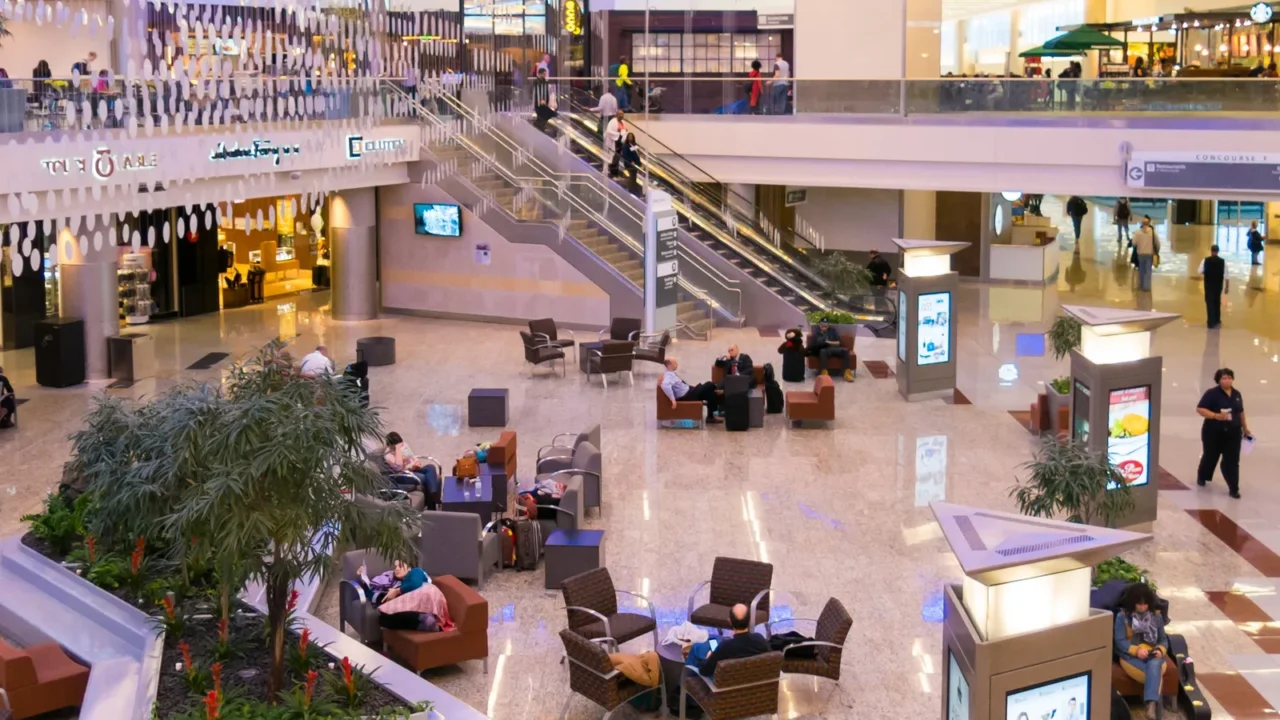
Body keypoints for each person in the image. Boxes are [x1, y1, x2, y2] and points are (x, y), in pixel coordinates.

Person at [1114, 583, 1172, 718]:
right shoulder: (1122, 617)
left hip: (1153, 656)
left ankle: (1151, 705)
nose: (1142, 607)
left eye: (1145, 604)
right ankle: (1154, 705)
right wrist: (1136, 650)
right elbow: (1120, 641)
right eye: (1139, 604)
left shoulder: (1156, 616)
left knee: (1155, 664)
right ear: (1132, 602)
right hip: (1130, 657)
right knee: (1155, 672)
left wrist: (1160, 650)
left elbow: (1163, 640)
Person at [1196, 368, 1250, 499]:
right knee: (1210, 456)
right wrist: (1215, 415)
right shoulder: (1212, 394)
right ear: (1218, 380)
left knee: (1232, 461)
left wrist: (1245, 428)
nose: (1227, 380)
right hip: (1214, 432)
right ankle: (1203, 476)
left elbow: (1241, 412)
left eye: (1229, 378)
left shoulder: (1237, 394)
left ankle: (1233, 488)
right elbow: (1200, 409)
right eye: (1224, 378)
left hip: (1233, 433)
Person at [697, 603, 769, 677]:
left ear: (730, 621)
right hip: (753, 680)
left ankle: (688, 681)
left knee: (696, 648)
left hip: (724, 684)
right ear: (749, 620)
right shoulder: (760, 639)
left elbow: (704, 671)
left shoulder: (725, 647)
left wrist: (707, 658)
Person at [660, 357, 721, 424]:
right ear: (669, 365)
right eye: (675, 363)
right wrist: (672, 399)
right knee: (709, 384)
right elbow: (665, 385)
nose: (677, 364)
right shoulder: (668, 376)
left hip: (690, 390)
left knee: (711, 394)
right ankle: (720, 396)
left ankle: (710, 417)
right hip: (688, 396)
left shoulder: (671, 373)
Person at [383, 431, 441, 499]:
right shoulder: (388, 455)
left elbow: (412, 457)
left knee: (431, 467)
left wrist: (417, 463)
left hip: (413, 469)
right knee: (427, 477)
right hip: (403, 475)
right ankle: (432, 500)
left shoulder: (404, 445)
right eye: (399, 445)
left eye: (401, 444)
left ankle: (433, 492)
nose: (402, 446)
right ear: (391, 445)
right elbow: (399, 467)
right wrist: (398, 450)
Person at [1200, 244, 1227, 329]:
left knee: (1209, 302)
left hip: (1208, 285)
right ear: (1218, 251)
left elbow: (1199, 271)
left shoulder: (1205, 260)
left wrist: (1206, 272)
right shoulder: (1223, 261)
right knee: (1216, 301)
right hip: (1218, 285)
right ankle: (1217, 320)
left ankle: (1210, 322)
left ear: (1211, 251)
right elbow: (1226, 275)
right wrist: (1227, 287)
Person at [1133, 215, 1159, 292]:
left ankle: (1141, 285)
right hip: (1149, 253)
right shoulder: (1152, 232)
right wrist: (1156, 251)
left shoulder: (1138, 232)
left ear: (1142, 223)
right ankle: (1147, 286)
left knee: (1141, 269)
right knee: (1148, 270)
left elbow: (1134, 243)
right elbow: (1157, 242)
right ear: (1149, 223)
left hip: (1140, 253)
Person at [531, 68, 557, 132]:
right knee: (545, 114)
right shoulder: (537, 82)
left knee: (545, 115)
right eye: (544, 74)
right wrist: (540, 99)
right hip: (539, 103)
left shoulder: (544, 81)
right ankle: (538, 126)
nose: (545, 75)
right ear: (540, 73)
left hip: (544, 102)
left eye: (545, 74)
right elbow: (536, 92)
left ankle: (539, 126)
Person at [603, 110, 626, 179]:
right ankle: (610, 172)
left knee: (617, 158)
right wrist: (618, 134)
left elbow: (624, 131)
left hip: (619, 143)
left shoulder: (623, 122)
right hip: (613, 141)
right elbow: (608, 131)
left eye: (622, 114)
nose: (621, 115)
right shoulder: (613, 122)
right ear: (616, 115)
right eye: (619, 114)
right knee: (611, 157)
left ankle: (616, 172)